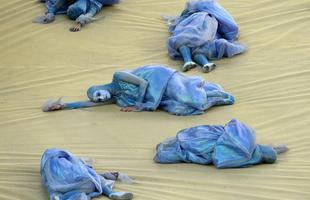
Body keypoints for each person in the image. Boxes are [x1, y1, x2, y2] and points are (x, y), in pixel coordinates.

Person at [42, 65, 234, 115]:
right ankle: (215, 98)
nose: (100, 98)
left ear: (100, 87)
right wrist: (64, 106)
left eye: (98, 94)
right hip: (156, 97)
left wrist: (138, 105)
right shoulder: (115, 98)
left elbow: (142, 83)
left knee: (189, 98)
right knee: (180, 107)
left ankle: (218, 95)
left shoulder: (118, 76)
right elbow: (86, 104)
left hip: (160, 78)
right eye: (99, 99)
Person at [154, 119, 288, 168]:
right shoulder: (247, 154)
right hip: (213, 138)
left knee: (192, 141)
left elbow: (220, 158)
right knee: (191, 141)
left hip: (210, 141)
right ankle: (173, 143)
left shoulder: (248, 144)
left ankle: (172, 143)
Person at [166, 0, 246, 72]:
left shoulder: (196, 7)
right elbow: (224, 20)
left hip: (200, 22)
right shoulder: (213, 7)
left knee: (183, 39)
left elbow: (184, 15)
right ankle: (205, 63)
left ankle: (188, 60)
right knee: (201, 47)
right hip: (209, 26)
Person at [41, 148, 134, 200]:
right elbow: (83, 168)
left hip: (67, 189)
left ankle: (68, 197)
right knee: (95, 178)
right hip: (88, 184)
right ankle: (111, 193)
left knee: (56, 190)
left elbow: (50, 187)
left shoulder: (48, 173)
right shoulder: (70, 161)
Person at [33, 0, 119, 32]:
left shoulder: (93, 4)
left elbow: (55, 7)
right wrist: (79, 23)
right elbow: (89, 14)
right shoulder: (94, 4)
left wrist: (50, 14)